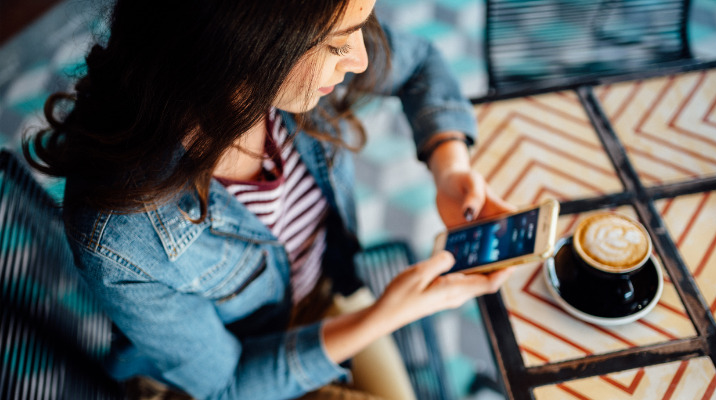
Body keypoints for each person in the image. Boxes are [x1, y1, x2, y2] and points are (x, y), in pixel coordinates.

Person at [23, 0, 515, 399]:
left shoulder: (286, 74)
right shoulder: (122, 233)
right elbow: (226, 386)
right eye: (336, 44)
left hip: (325, 297)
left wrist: (449, 166)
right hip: (239, 372)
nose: (360, 59)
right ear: (245, 46)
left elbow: (419, 63)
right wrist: (383, 316)